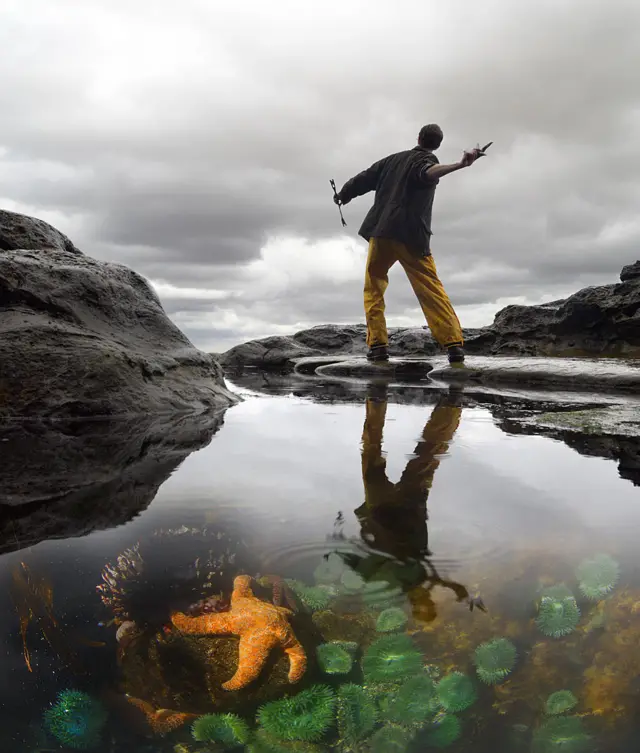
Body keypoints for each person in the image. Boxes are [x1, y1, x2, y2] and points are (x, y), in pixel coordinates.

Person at [334, 124, 483, 366]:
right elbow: (427, 173)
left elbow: (363, 179)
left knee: (373, 287)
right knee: (430, 289)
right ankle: (453, 345)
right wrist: (459, 165)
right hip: (411, 236)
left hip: (380, 233)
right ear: (437, 144)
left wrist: (343, 195)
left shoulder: (391, 161)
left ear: (418, 137)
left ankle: (378, 346)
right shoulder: (425, 160)